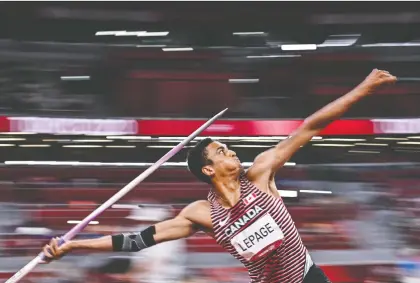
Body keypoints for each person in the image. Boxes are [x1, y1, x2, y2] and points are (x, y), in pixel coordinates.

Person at [43, 69, 397, 283]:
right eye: (222, 151)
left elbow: (310, 127)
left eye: (229, 147)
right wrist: (74, 245)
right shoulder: (201, 213)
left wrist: (364, 88)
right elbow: (137, 241)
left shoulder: (261, 174)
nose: (232, 151)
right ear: (208, 169)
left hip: (308, 278)